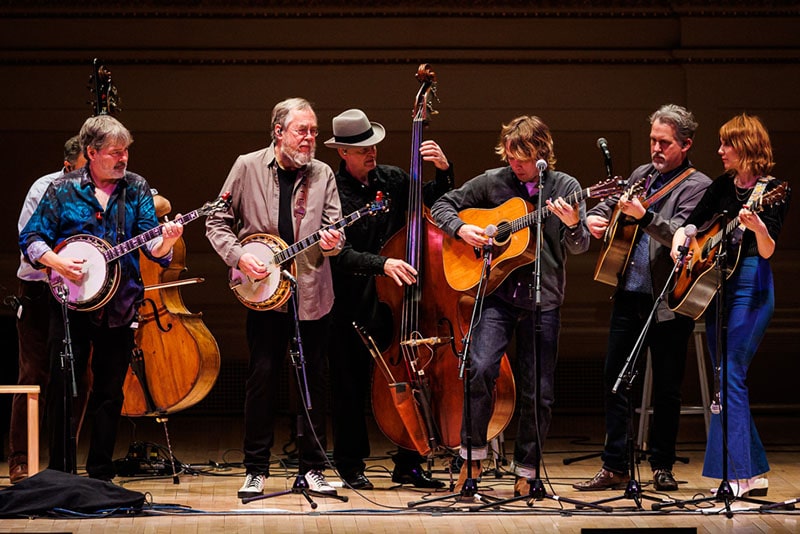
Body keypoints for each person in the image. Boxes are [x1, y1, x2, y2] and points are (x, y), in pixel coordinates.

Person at [431, 115, 590, 496]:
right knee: (480, 369)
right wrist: (461, 229)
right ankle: (471, 460)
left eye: (521, 159)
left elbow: (581, 244)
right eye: (510, 157)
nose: (514, 166)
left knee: (540, 390)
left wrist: (571, 224)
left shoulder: (566, 187)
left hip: (544, 299)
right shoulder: (493, 181)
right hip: (497, 296)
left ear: (541, 154)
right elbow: (442, 206)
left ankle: (528, 471)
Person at [19, 115, 183, 480]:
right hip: (70, 305)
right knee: (64, 389)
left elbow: (152, 244)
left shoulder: (136, 187)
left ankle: (101, 473)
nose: (123, 158)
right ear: (91, 153)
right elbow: (31, 238)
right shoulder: (61, 190)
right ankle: (60, 473)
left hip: (121, 304)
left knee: (110, 393)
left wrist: (167, 239)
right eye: (114, 152)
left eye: (125, 151)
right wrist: (58, 263)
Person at [205, 97, 344, 499]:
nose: (310, 138)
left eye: (314, 131)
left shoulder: (323, 174)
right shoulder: (246, 166)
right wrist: (239, 257)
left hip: (313, 292)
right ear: (279, 132)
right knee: (262, 377)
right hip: (263, 293)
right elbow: (217, 220)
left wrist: (334, 242)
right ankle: (256, 469)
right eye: (303, 130)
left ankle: (313, 468)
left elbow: (335, 229)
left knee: (312, 379)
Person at [573, 104, 712, 493]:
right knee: (614, 381)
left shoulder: (696, 185)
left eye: (664, 143)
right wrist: (591, 219)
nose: (655, 148)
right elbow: (609, 206)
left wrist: (645, 216)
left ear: (685, 145)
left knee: (666, 387)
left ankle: (662, 465)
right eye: (652, 140)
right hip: (629, 295)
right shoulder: (642, 175)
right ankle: (615, 465)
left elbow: (686, 238)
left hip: (668, 300)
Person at [324, 108, 453, 490]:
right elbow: (340, 254)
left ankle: (410, 462)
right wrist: (383, 264)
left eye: (373, 145)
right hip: (350, 300)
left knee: (413, 376)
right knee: (348, 387)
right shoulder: (331, 191)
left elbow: (433, 201)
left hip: (400, 302)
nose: (371, 153)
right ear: (343, 153)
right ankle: (350, 465)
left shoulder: (394, 179)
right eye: (362, 148)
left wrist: (443, 170)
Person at [671, 113, 789, 497]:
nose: (720, 151)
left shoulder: (773, 190)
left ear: (747, 148)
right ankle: (751, 473)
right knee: (724, 376)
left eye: (727, 145)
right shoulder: (723, 186)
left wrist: (757, 227)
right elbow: (693, 223)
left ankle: (736, 476)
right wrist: (684, 239)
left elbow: (768, 250)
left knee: (731, 372)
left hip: (752, 284)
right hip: (719, 284)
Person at [8, 136, 87, 484]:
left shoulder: (106, 189)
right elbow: (29, 243)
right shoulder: (44, 188)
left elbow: (156, 201)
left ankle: (64, 461)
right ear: (69, 166)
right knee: (33, 375)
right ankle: (21, 459)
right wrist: (59, 264)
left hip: (78, 294)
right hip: (39, 291)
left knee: (78, 379)